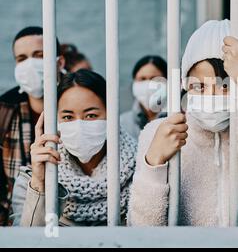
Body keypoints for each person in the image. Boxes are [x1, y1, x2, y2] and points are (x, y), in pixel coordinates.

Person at [127, 19, 238, 227]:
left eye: (225, 86)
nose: (212, 95)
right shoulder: (158, 133)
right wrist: (154, 163)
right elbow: (142, 228)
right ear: (185, 86)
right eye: (200, 86)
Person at [11, 69, 137, 226]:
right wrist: (40, 185)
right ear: (55, 120)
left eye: (91, 115)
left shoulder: (141, 173)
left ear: (111, 115)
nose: (79, 125)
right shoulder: (28, 182)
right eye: (68, 117)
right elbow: (26, 243)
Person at [0, 26, 64, 226]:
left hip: (71, 219)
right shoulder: (4, 110)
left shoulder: (80, 101)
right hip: (18, 221)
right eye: (22, 59)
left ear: (59, 62)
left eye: (39, 55)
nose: (29, 64)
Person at [120, 55, 167, 139]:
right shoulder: (122, 123)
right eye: (142, 79)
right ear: (134, 83)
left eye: (154, 78)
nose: (148, 84)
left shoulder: (177, 117)